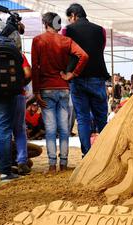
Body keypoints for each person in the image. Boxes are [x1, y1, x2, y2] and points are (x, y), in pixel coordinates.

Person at [31, 12, 89, 173]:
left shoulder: (38, 40)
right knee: (64, 128)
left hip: (46, 88)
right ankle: (63, 163)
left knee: (50, 129)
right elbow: (83, 56)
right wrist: (72, 74)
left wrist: (36, 91)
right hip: (63, 87)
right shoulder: (66, 41)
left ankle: (51, 165)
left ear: (45, 24)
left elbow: (35, 67)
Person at [62, 3, 110, 157]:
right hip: (97, 76)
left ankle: (87, 155)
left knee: (82, 119)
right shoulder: (100, 30)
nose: (69, 21)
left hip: (77, 78)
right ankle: (104, 154)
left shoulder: (67, 31)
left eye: (69, 18)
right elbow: (100, 49)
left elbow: (65, 52)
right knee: (101, 118)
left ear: (74, 15)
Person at [0, 0, 23, 184]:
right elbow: (19, 55)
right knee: (4, 128)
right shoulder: (11, 29)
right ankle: (5, 172)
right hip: (7, 87)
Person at [13, 53, 32, 175]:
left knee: (0, 130)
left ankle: (3, 163)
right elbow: (28, 73)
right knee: (20, 130)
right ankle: (21, 162)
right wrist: (21, 85)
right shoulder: (18, 54)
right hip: (18, 94)